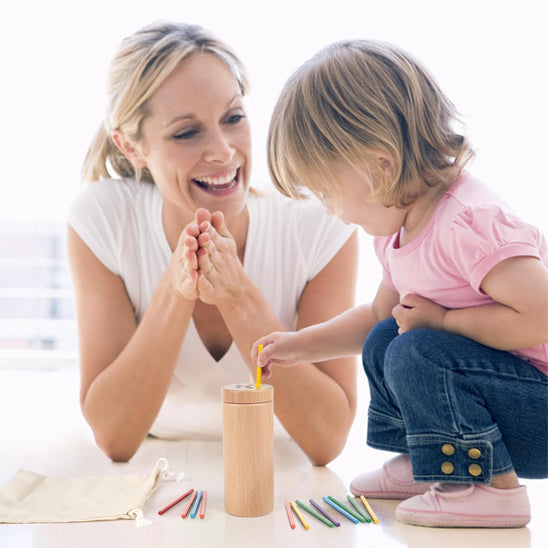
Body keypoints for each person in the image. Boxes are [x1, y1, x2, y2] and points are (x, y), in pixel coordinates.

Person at [253, 39, 548, 528]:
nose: (330, 210)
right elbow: (375, 317)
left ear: (379, 166)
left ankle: (497, 492)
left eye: (327, 191)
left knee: (416, 349)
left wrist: (445, 320)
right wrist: (301, 346)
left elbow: (541, 313)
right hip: (494, 404)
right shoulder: (397, 234)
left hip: (537, 412)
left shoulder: (467, 223)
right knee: (387, 336)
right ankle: (427, 460)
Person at [67, 21, 359, 465]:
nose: (223, 151)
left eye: (233, 118)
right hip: (157, 471)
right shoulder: (103, 219)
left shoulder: (318, 223)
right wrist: (177, 288)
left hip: (280, 466)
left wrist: (238, 297)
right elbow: (115, 436)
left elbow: (326, 440)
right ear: (131, 147)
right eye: (187, 133)